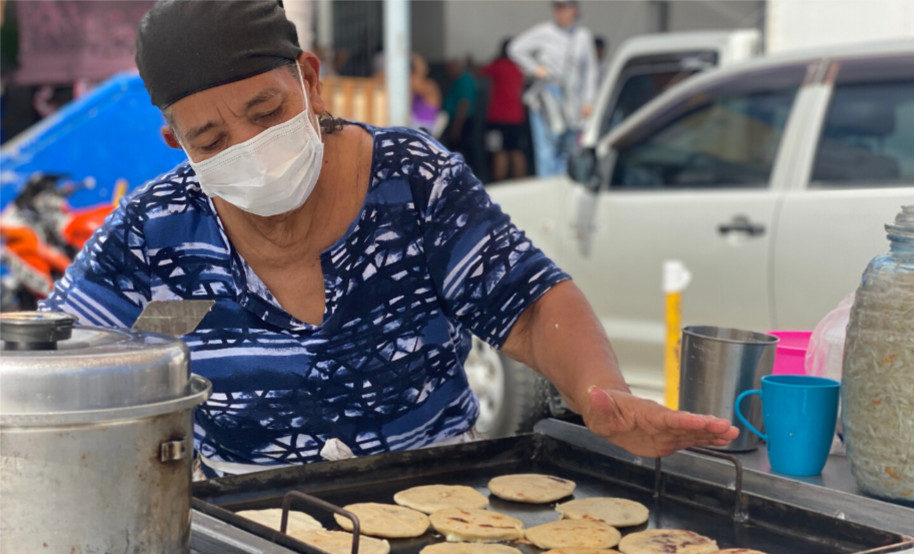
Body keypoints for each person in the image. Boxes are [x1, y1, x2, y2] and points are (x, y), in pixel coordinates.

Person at [42, 0, 738, 478]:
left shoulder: (413, 180)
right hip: (245, 535)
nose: (249, 147)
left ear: (310, 82)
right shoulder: (157, 231)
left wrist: (601, 393)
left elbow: (527, 305)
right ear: (176, 143)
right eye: (212, 139)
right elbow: (53, 364)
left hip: (441, 519)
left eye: (266, 112)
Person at [509, 0, 598, 178]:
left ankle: (563, 191)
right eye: (558, 8)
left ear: (574, 11)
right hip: (548, 95)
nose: (561, 12)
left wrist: (589, 101)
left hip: (574, 99)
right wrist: (535, 68)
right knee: (547, 150)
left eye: (564, 8)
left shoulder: (583, 36)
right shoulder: (544, 32)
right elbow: (515, 48)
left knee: (569, 148)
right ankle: (547, 191)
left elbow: (590, 71)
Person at [482, 39, 528, 181]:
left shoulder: (497, 65)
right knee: (517, 151)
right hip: (517, 118)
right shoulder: (521, 67)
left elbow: (479, 71)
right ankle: (521, 184)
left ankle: (499, 184)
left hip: (497, 118)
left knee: (498, 151)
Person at [442, 57, 478, 169]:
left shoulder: (464, 80)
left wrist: (456, 128)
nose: (447, 72)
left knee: (462, 150)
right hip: (454, 120)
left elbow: (464, 105)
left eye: (449, 68)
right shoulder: (457, 80)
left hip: (461, 121)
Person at [410, 53, 443, 137]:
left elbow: (416, 84)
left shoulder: (431, 86)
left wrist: (419, 66)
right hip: (412, 129)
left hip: (425, 132)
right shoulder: (412, 84)